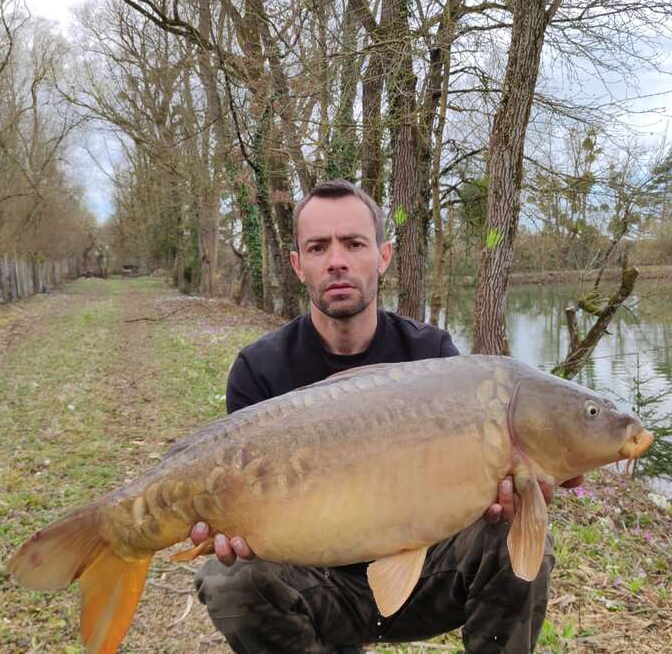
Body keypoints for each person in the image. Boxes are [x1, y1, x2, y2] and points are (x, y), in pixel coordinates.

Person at [190, 179, 582, 653]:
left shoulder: (433, 356)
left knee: (517, 546)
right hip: (317, 585)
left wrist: (513, 494)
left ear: (383, 255)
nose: (337, 260)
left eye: (354, 243)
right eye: (318, 246)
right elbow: (244, 519)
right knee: (229, 578)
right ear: (298, 265)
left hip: (426, 579)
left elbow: (481, 490)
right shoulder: (259, 371)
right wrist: (231, 529)